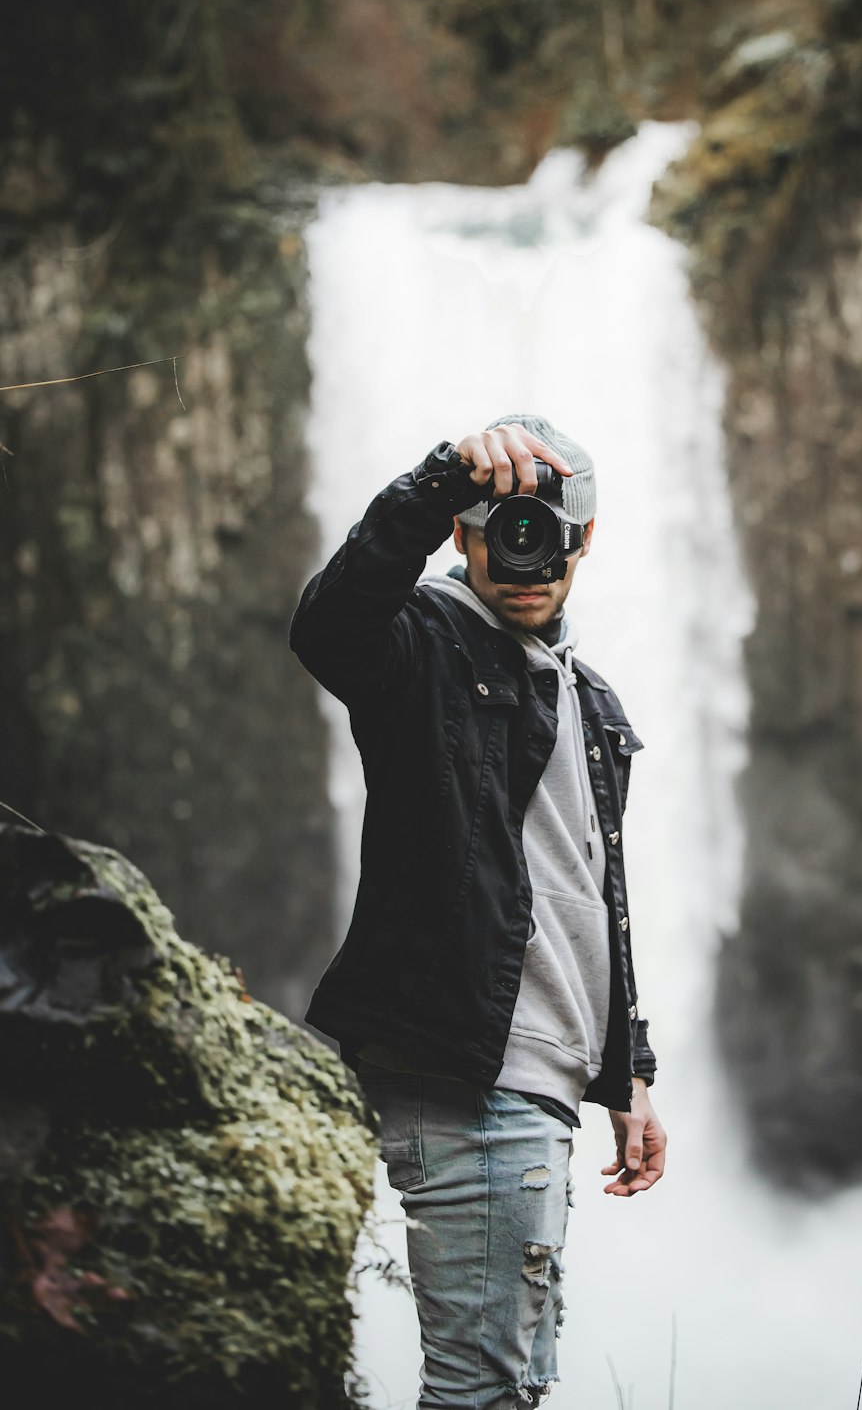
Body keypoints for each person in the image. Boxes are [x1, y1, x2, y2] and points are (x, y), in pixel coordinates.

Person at [289, 416, 666, 1409]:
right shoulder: (425, 644)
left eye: (550, 533)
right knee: (484, 1387)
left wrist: (627, 1072)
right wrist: (440, 479)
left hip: (537, 1080)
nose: (528, 555)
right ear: (465, 535)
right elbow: (329, 625)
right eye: (506, 529)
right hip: (468, 1072)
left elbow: (592, 899)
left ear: (585, 539)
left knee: (510, 1382)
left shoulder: (595, 705)